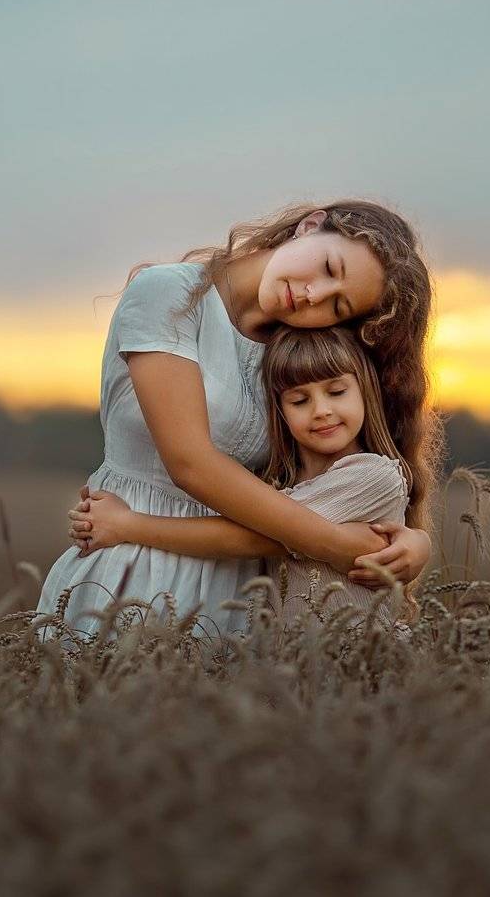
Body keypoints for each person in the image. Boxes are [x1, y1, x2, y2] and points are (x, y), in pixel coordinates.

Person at [35, 200, 439, 640]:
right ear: (310, 226)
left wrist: (409, 541)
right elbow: (191, 464)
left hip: (244, 597)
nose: (313, 295)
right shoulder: (168, 295)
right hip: (132, 561)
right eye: (328, 266)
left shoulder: (295, 358)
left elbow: (338, 482)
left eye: (337, 305)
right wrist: (340, 546)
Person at [69, 326, 419, 631]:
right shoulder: (275, 483)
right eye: (300, 400)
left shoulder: (373, 476)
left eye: (337, 392)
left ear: (366, 391)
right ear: (280, 412)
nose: (322, 410)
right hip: (294, 671)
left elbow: (253, 539)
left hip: (356, 663)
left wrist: (127, 524)